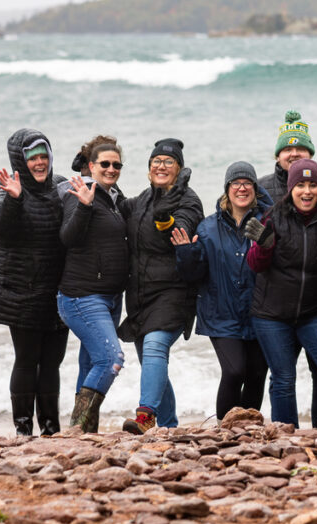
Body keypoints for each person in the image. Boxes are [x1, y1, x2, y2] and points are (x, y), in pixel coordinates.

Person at [246, 158, 317, 428]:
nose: (307, 191)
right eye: (300, 185)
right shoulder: (275, 216)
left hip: (313, 313)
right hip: (271, 315)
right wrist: (263, 246)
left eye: (312, 185)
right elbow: (255, 265)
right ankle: (286, 436)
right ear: (290, 188)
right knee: (284, 379)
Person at [0, 129, 69, 436]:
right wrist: (16, 199)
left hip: (56, 290)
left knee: (52, 362)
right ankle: (22, 427)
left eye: (44, 157)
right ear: (20, 161)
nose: (40, 163)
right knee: (28, 359)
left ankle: (50, 427)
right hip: (21, 290)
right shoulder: (9, 191)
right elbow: (1, 228)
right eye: (33, 159)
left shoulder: (60, 188)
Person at [173, 162, 272, 419]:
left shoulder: (267, 222)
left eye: (247, 183)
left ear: (255, 188)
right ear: (227, 189)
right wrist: (186, 253)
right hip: (220, 313)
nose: (242, 188)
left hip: (259, 311)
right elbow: (193, 275)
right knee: (234, 371)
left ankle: (247, 429)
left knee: (257, 374)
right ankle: (225, 426)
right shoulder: (207, 228)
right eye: (236, 183)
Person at [119, 139, 204, 434]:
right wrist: (94, 177)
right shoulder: (142, 199)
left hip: (174, 291)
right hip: (140, 295)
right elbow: (116, 208)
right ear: (148, 169)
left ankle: (145, 416)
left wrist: (165, 219)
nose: (161, 166)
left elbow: (181, 230)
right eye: (156, 161)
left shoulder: (188, 199)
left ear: (179, 168)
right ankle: (168, 426)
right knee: (152, 363)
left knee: (156, 347)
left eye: (169, 162)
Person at [257, 109, 317, 425]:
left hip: (316, 302)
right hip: (275, 303)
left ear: (310, 153)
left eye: (299, 149)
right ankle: (284, 431)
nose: (293, 153)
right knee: (281, 375)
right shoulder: (261, 188)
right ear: (278, 154)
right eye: (287, 148)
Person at [56, 138, 129, 432]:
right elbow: (68, 238)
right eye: (105, 164)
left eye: (116, 165)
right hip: (82, 296)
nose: (111, 169)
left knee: (91, 363)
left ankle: (85, 435)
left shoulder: (113, 198)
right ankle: (77, 426)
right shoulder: (79, 194)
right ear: (91, 166)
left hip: (111, 296)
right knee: (112, 358)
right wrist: (85, 206)